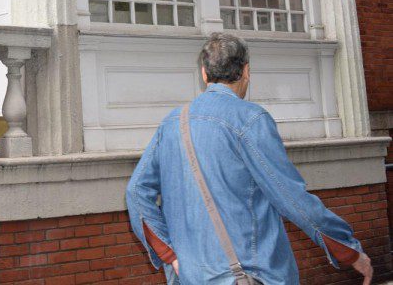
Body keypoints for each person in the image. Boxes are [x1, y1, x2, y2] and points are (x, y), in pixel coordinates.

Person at [126, 33, 373, 284]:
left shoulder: (172, 123)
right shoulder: (250, 119)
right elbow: (291, 198)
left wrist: (170, 255)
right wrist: (347, 249)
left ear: (204, 73)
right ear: (246, 71)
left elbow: (136, 191)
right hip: (249, 274)